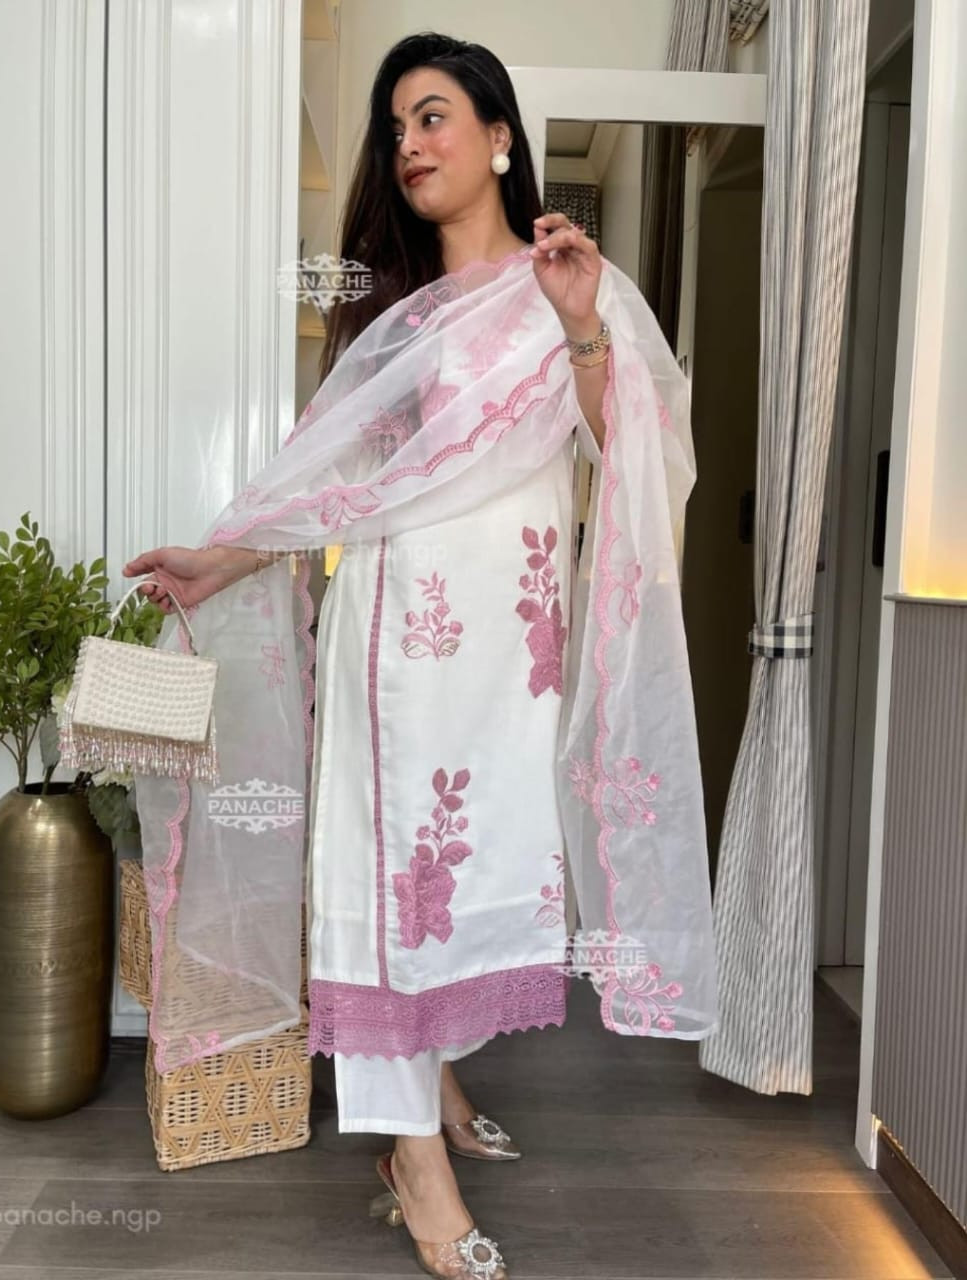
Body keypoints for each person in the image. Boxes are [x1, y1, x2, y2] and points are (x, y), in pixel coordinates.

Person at [122, 32, 717, 1280]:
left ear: (499, 135)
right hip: (398, 645)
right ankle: (410, 1157)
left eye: (433, 115)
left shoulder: (573, 283)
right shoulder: (394, 319)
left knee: (472, 866)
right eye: (396, 127)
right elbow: (334, 482)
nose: (408, 144)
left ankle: (434, 1076)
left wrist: (581, 329)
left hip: (515, 657)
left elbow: (637, 455)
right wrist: (222, 558)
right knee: (389, 878)